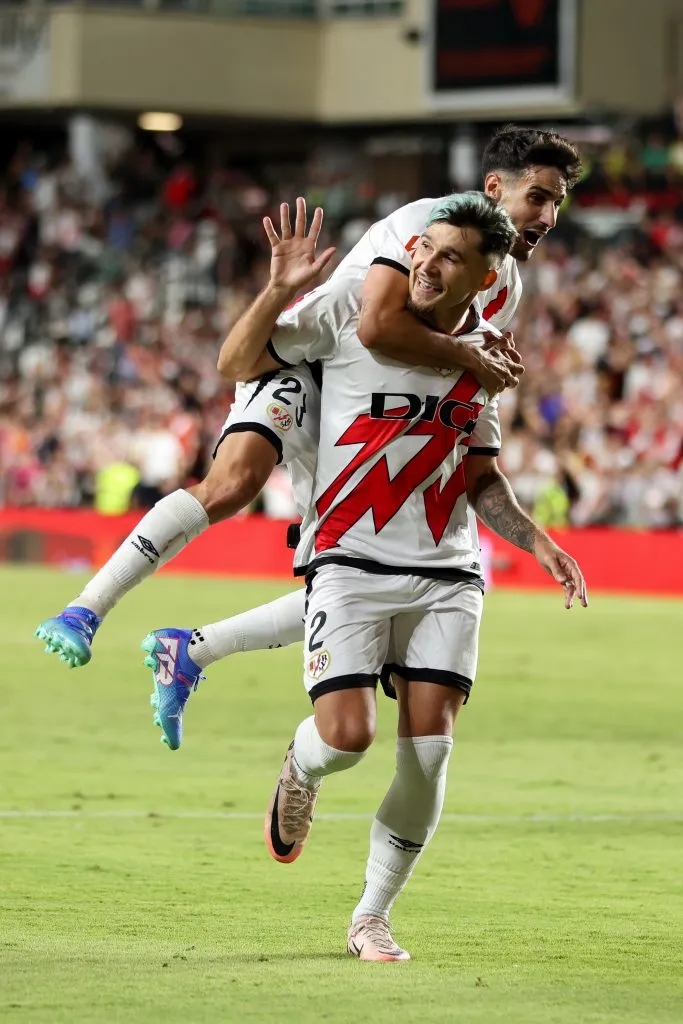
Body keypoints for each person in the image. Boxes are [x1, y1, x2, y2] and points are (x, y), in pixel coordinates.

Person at [34, 125, 579, 693]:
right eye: (538, 197)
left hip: (372, 406)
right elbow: (376, 326)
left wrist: (480, 364)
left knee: (362, 558)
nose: (548, 218)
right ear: (495, 187)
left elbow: (452, 350)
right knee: (233, 485)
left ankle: (191, 650)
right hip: (309, 359)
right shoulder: (425, 222)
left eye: (557, 203)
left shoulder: (505, 283)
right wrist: (471, 357)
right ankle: (87, 607)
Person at [222, 193, 587, 961]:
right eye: (424, 248)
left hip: (446, 573)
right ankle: (302, 764)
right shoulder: (353, 316)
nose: (425, 264)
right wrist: (279, 290)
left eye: (451, 259)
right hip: (348, 561)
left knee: (429, 751)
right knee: (346, 739)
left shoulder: (489, 355)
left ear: (486, 277)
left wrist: (539, 543)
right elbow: (235, 364)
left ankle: (371, 915)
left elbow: (480, 479)